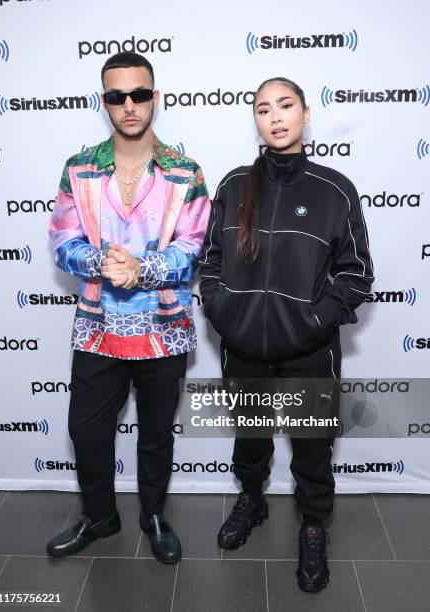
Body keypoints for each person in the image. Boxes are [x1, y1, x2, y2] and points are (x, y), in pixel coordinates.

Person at [199, 77, 373, 592]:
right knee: (250, 439)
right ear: (254, 119)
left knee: (312, 446)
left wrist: (313, 322)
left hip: (309, 352)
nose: (274, 116)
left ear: (305, 113)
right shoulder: (234, 186)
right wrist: (224, 313)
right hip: (244, 346)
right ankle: (251, 501)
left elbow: (356, 275)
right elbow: (210, 262)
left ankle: (314, 526)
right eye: (262, 108)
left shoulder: (334, 189)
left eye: (285, 105)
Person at [46, 51, 210, 564]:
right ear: (105, 103)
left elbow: (194, 243)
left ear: (155, 97)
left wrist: (145, 269)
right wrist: (102, 261)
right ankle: (99, 515)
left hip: (164, 326)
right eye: (117, 96)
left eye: (139, 94)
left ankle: (154, 515)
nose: (130, 105)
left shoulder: (185, 172)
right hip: (98, 325)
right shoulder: (80, 168)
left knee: (157, 433)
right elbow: (61, 240)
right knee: (85, 428)